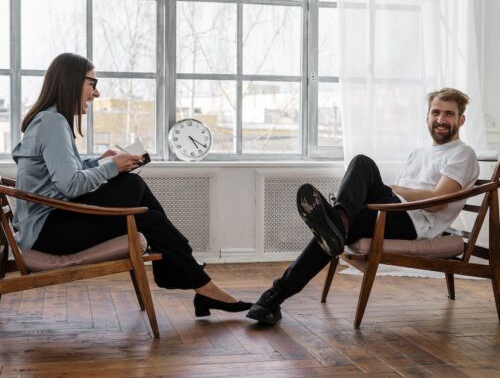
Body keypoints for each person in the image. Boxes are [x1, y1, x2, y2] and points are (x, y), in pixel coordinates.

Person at [12, 53, 252, 317]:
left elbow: (59, 174)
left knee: (146, 213)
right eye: (92, 83)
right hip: (49, 233)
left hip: (51, 222)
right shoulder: (53, 122)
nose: (96, 92)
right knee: (132, 186)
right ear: (72, 81)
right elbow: (70, 185)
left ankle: (200, 284)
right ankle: (191, 272)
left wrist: (97, 162)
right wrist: (113, 167)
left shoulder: (49, 120)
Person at [246, 87, 480, 325]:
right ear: (427, 117)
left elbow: (437, 203)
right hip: (394, 210)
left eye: (449, 114)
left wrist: (397, 190)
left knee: (344, 211)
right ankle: (339, 222)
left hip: (415, 223)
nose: (441, 120)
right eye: (436, 112)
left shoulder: (462, 153)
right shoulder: (419, 153)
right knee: (361, 163)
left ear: (461, 119)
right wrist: (391, 193)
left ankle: (276, 295)